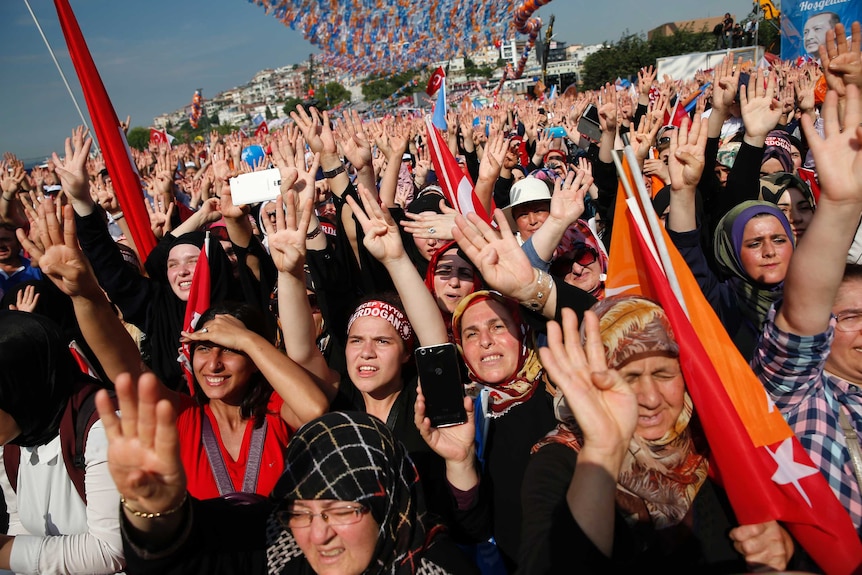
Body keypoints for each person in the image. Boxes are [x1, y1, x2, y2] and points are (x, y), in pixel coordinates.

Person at [519, 297, 795, 573]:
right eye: (628, 378)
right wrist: (604, 449)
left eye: (664, 374)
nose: (650, 398)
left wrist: (784, 545)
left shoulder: (717, 440)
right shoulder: (560, 463)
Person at [98, 379, 479, 574]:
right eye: (301, 511)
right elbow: (182, 560)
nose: (317, 534)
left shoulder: (437, 568)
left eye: (341, 510)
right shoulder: (277, 544)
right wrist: (155, 511)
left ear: (386, 500)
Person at [0, 311, 124, 574]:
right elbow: (21, 523)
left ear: (21, 386)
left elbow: (111, 551)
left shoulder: (104, 426)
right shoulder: (15, 437)